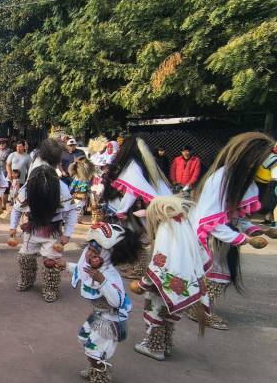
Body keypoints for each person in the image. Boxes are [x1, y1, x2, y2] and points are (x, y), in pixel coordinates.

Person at [189, 132, 275, 330]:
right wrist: (244, 239)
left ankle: (199, 308)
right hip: (209, 239)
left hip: (221, 238)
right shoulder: (221, 179)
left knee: (219, 274)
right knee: (215, 274)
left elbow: (235, 217)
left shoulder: (240, 180)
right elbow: (209, 221)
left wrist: (259, 230)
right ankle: (200, 311)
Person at [132, 196, 209, 361]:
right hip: (180, 281)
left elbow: (159, 262)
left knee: (156, 311)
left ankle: (154, 347)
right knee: (168, 313)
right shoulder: (182, 225)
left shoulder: (166, 228)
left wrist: (142, 283)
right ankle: (165, 344)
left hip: (165, 283)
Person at [70, 222, 139, 383]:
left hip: (110, 320)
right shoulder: (95, 268)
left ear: (107, 256)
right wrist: (65, 265)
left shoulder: (109, 275)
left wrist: (102, 281)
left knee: (96, 349)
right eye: (90, 250)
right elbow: (81, 271)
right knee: (85, 339)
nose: (90, 255)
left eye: (96, 253)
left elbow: (117, 300)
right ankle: (95, 368)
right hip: (99, 315)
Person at [102, 136, 172, 279]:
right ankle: (138, 268)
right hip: (156, 207)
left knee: (142, 239)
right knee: (142, 238)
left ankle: (140, 271)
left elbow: (132, 191)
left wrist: (121, 211)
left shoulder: (133, 165)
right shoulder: (144, 164)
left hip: (151, 209)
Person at [11, 164, 77, 302]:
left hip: (53, 233)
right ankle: (27, 280)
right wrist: (13, 227)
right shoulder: (27, 188)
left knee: (51, 262)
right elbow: (16, 209)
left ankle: (50, 288)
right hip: (31, 229)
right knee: (25, 257)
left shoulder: (62, 189)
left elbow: (71, 210)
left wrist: (67, 233)